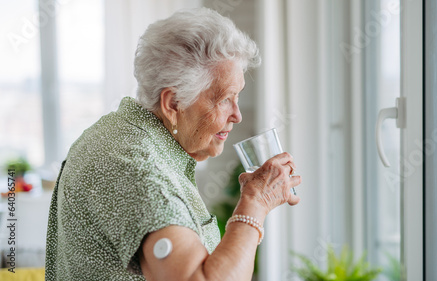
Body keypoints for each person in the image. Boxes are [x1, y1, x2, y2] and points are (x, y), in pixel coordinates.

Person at [45, 8, 301, 281]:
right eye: (225, 99)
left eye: (237, 97)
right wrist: (255, 203)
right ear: (173, 104)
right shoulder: (135, 167)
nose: (237, 115)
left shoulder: (122, 133)